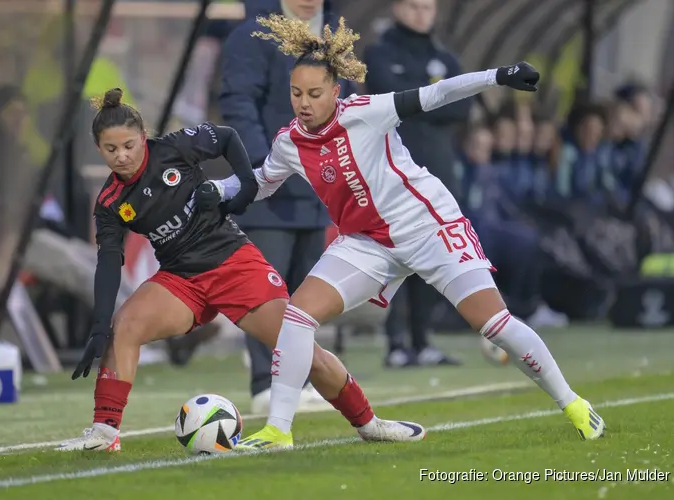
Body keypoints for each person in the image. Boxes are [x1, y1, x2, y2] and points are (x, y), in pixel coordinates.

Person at [211, 14, 606, 450]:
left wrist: (498, 76)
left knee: (493, 324)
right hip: (367, 244)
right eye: (296, 93)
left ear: (336, 92)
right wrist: (207, 190)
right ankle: (278, 431)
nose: (303, 103)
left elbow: (437, 94)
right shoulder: (289, 142)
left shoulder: (366, 113)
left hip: (428, 228)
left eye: (314, 94)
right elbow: (259, 182)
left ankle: (572, 403)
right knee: (298, 316)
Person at [56, 88, 425, 452]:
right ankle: (104, 433)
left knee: (303, 353)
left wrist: (247, 183)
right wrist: (99, 325)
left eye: (129, 145)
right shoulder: (110, 202)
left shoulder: (173, 148)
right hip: (181, 278)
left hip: (235, 265)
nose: (122, 156)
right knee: (125, 327)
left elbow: (227, 137)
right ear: (98, 149)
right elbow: (108, 261)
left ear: (143, 138)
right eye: (111, 149)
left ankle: (368, 423)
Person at [220, 0, 355, 414]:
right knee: (266, 291)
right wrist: (268, 167)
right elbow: (238, 104)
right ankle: (265, 383)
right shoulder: (252, 35)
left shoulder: (337, 37)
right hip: (270, 193)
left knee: (303, 296)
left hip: (320, 190)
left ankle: (294, 381)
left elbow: (352, 102)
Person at [364, 0, 468, 367]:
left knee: (435, 253)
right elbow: (385, 95)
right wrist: (430, 93)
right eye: (413, 5)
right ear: (396, 7)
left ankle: (423, 339)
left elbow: (462, 107)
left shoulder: (445, 57)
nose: (421, 13)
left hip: (438, 170)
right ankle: (395, 341)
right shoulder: (378, 53)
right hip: (392, 170)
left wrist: (415, 97)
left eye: (428, 7)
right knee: (393, 252)